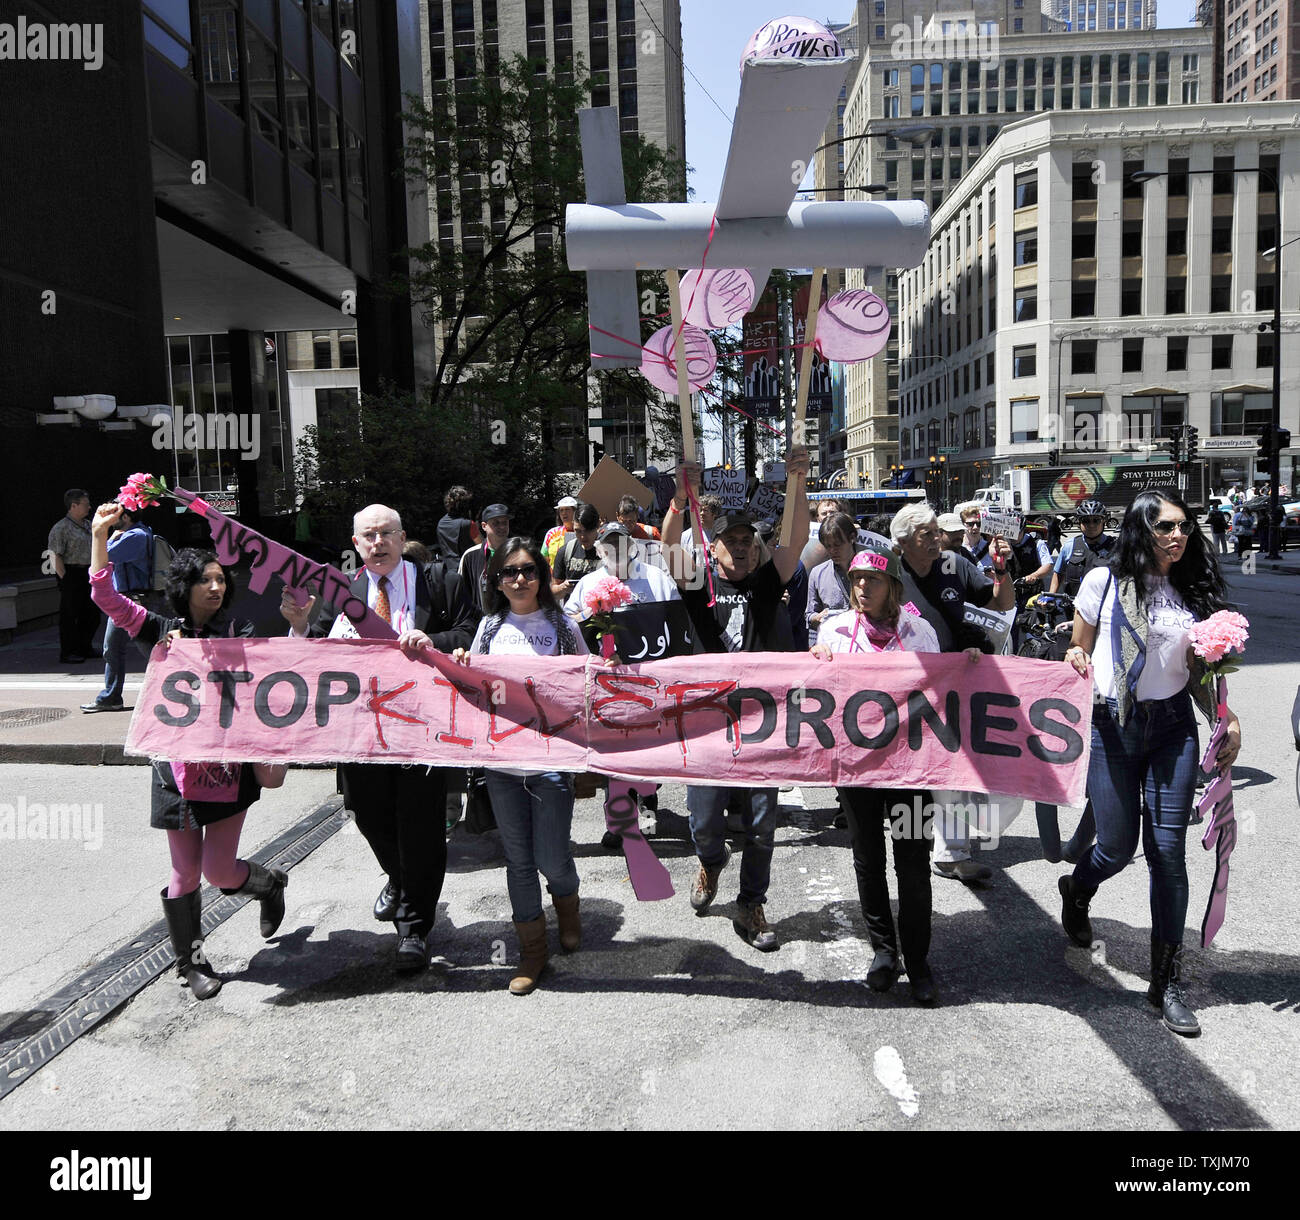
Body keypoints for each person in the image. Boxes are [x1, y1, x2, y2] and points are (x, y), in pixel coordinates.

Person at [87, 503, 289, 1000]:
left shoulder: (239, 635)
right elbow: (106, 597)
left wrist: (300, 627)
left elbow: (283, 669)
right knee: (184, 872)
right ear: (186, 586)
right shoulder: (158, 630)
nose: (217, 588)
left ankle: (268, 885)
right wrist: (98, 536)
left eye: (221, 579)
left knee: (221, 871)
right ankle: (191, 964)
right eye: (206, 581)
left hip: (227, 769)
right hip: (173, 773)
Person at [1061, 490, 1241, 1037]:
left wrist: (1225, 718)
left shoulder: (1191, 589)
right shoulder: (1103, 582)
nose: (1178, 537)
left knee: (1167, 853)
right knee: (1115, 848)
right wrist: (1075, 655)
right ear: (1141, 529)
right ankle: (1078, 888)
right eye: (1166, 528)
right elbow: (1079, 647)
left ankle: (1167, 984)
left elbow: (1200, 672)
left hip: (1173, 731)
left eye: (1184, 528)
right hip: (1113, 725)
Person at [281, 504, 479, 973]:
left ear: (402, 535)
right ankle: (398, 876)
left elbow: (472, 632)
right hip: (359, 733)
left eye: (386, 532)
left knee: (421, 826)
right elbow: (315, 660)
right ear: (355, 544)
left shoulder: (439, 581)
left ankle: (414, 929)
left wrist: (431, 640)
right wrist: (300, 625)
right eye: (367, 535)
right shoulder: (343, 592)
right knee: (367, 814)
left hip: (421, 729)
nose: (377, 541)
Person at [661, 447, 812, 952]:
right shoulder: (696, 584)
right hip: (707, 723)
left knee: (762, 821)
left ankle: (752, 903)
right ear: (714, 548)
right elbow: (668, 549)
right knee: (704, 821)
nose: (743, 549)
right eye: (731, 541)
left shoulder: (769, 585)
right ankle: (709, 860)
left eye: (748, 541)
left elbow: (796, 541)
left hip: (762, 721)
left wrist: (799, 480)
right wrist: (680, 499)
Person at [451, 537, 590, 995]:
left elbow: (587, 682)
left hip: (550, 761)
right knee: (518, 860)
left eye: (528, 570)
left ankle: (567, 908)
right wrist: (462, 664)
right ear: (496, 579)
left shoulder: (563, 625)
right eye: (509, 572)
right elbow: (472, 687)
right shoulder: (490, 627)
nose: (519, 579)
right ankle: (533, 950)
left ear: (542, 575)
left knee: (552, 856)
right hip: (502, 763)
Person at [811, 548, 942, 1004]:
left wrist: (968, 665)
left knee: (912, 861)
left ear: (894, 586)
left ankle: (919, 961)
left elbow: (944, 690)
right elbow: (817, 689)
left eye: (873, 579)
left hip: (910, 770)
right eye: (857, 579)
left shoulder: (919, 632)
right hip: (858, 769)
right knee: (868, 858)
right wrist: (817, 658)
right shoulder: (835, 630)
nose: (863, 587)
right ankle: (884, 952)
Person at [891, 503, 1014, 882]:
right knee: (913, 769)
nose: (935, 539)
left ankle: (951, 854)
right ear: (904, 543)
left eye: (935, 531)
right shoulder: (891, 573)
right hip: (908, 690)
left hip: (959, 685)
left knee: (955, 768)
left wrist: (1002, 570)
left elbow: (1000, 603)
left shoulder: (956, 565)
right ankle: (911, 841)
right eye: (925, 534)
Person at [82, 504, 153, 712]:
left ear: (127, 516)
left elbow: (104, 556)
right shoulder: (132, 533)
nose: (111, 519)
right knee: (113, 649)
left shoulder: (136, 536)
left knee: (150, 650)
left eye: (116, 514)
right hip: (126, 600)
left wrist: (108, 536)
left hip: (134, 601)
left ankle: (180, 682)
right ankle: (111, 697)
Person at [48, 488, 99, 664]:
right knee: (70, 614)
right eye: (85, 504)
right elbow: (55, 555)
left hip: (88, 572)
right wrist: (65, 579)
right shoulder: (61, 528)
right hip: (71, 572)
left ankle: (85, 647)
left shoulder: (87, 524)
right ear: (73, 506)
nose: (89, 507)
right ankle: (68, 652)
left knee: (92, 613)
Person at [805, 511, 863, 647]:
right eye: (828, 546)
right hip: (833, 647)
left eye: (837, 545)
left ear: (852, 538)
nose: (832, 551)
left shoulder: (870, 570)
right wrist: (816, 618)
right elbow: (808, 615)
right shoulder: (817, 573)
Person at [1050, 499, 1117, 597]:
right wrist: (1050, 596)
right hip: (1073, 607)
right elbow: (1058, 573)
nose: (1091, 525)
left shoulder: (1116, 547)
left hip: (1105, 608)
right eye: (1086, 521)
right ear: (1079, 522)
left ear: (1104, 521)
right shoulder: (1069, 546)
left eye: (1096, 520)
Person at [459, 503, 512, 613]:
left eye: (504, 523)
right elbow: (462, 592)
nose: (501, 527)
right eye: (496, 523)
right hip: (481, 620)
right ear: (484, 526)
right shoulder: (470, 556)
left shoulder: (518, 552)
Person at [551, 503, 602, 599]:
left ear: (598, 525)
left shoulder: (609, 551)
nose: (583, 537)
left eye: (588, 530)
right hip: (572, 612)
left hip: (601, 612)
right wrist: (562, 588)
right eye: (578, 531)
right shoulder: (566, 551)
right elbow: (553, 591)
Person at [435, 485, 479, 564]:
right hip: (466, 569)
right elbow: (483, 546)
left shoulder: (441, 523)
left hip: (447, 570)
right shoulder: (468, 524)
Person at [543, 495, 580, 567]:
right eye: (561, 510)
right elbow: (544, 558)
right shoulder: (551, 533)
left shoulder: (583, 532)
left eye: (567, 509)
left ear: (575, 511)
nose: (564, 513)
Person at [954, 501, 991, 566]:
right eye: (970, 524)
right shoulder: (956, 548)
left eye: (979, 524)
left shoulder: (991, 548)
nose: (975, 527)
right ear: (963, 524)